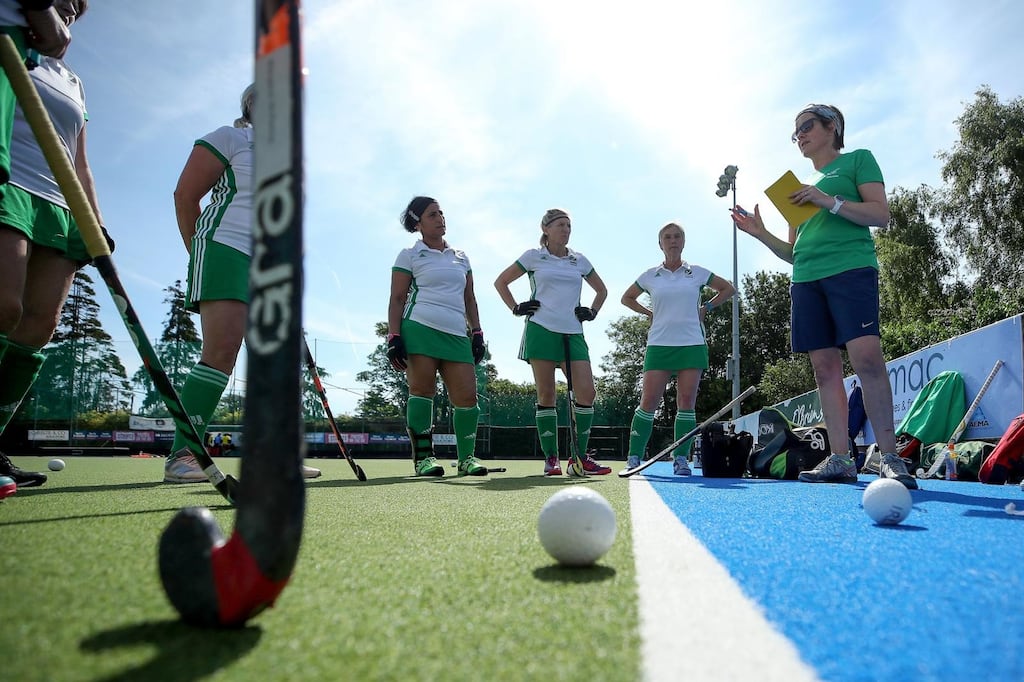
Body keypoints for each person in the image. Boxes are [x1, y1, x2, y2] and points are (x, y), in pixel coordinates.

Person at [731, 103, 916, 489]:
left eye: (806, 126)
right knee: (824, 370)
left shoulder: (857, 161)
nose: (799, 135)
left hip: (851, 269)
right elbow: (791, 252)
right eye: (795, 132)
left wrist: (826, 200)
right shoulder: (797, 191)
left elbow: (880, 214)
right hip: (807, 278)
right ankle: (840, 458)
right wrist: (759, 233)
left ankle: (890, 457)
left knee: (866, 359)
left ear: (832, 127)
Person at [164, 84, 320, 482]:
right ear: (251, 105)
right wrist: (198, 252)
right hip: (225, 247)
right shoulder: (230, 137)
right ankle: (183, 455)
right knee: (222, 351)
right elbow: (185, 195)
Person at [0, 0, 92, 488]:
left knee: (39, 323)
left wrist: (93, 223)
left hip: (57, 200)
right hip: (8, 179)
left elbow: (78, 159)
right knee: (3, 306)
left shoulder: (73, 79)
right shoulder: (9, 27)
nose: (76, 7)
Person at [494, 208, 612, 476]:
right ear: (545, 229)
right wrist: (515, 307)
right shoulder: (533, 256)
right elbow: (501, 281)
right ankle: (551, 459)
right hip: (541, 329)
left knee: (587, 393)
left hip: (573, 332)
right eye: (560, 225)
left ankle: (579, 458)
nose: (566, 230)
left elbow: (602, 290)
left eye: (569, 225)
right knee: (547, 394)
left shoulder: (579, 260)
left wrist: (592, 311)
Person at [620, 222, 736, 474]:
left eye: (677, 237)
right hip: (659, 344)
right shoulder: (650, 275)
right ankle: (634, 456)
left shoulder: (696, 272)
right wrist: (647, 312)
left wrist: (707, 307)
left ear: (683, 242)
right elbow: (626, 298)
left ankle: (680, 458)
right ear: (660, 243)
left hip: (691, 343)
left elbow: (728, 289)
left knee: (686, 402)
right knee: (648, 401)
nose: (673, 241)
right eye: (667, 237)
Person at [386, 196, 489, 477]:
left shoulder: (461, 257)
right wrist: (393, 336)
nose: (440, 218)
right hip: (420, 328)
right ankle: (423, 459)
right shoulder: (409, 254)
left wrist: (477, 332)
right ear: (417, 223)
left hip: (456, 333)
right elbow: (397, 298)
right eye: (432, 214)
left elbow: (470, 298)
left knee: (467, 396)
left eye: (441, 213)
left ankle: (467, 458)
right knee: (422, 391)